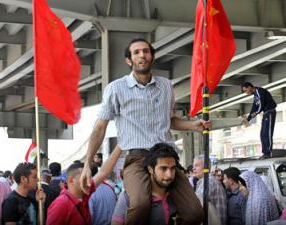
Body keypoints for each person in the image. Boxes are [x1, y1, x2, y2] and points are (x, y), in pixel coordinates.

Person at [80, 37, 208, 225]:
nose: (142, 55)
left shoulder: (166, 86)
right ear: (129, 60)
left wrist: (193, 125)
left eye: (146, 51)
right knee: (140, 204)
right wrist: (87, 164)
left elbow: (170, 120)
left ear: (152, 57)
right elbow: (100, 127)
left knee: (196, 212)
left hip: (167, 157)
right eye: (137, 52)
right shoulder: (116, 88)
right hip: (137, 158)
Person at [112, 143, 184, 225]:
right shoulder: (129, 198)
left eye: (173, 168)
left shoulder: (179, 199)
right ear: (150, 169)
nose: (169, 175)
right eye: (163, 168)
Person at [47, 148, 121, 225]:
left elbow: (103, 172)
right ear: (71, 180)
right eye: (84, 178)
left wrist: (120, 145)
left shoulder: (84, 193)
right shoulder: (61, 204)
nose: (89, 181)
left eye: (89, 177)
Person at [242, 82, 277, 159]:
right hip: (266, 114)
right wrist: (248, 118)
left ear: (249, 87)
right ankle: (265, 152)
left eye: (246, 90)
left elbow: (261, 103)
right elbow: (254, 106)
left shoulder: (259, 91)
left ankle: (268, 153)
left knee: (267, 133)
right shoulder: (255, 95)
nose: (246, 93)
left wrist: (257, 112)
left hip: (270, 112)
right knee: (262, 134)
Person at [193, 154, 227, 225]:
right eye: (193, 166)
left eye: (197, 165)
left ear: (206, 167)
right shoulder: (206, 181)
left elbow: (197, 207)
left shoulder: (208, 182)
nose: (193, 168)